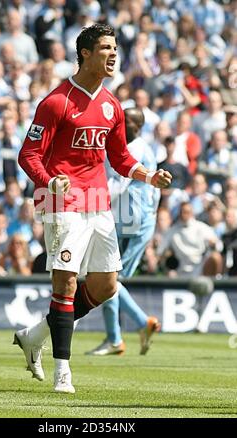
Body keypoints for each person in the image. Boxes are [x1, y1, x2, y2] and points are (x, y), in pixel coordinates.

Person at [14, 24, 172, 394]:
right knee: (66, 282)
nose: (114, 54)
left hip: (97, 202)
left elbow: (119, 158)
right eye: (105, 47)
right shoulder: (56, 101)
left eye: (115, 47)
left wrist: (149, 176)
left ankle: (35, 334)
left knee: (105, 286)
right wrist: (49, 180)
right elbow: (29, 154)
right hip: (59, 200)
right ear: (85, 53)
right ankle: (62, 373)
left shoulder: (111, 105)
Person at [86, 107, 161, 356]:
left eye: (125, 121)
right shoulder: (139, 148)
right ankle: (124, 332)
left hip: (130, 223)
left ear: (137, 126)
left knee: (108, 276)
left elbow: (117, 185)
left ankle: (122, 334)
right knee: (107, 276)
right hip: (131, 221)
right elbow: (155, 191)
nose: (118, 123)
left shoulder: (135, 150)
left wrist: (88, 198)